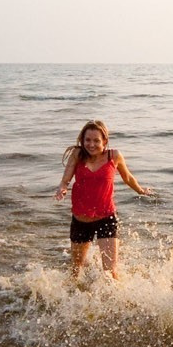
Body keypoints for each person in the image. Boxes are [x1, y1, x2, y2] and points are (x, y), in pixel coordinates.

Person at [55, 119, 153, 279]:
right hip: (81, 220)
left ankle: (119, 295)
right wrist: (62, 189)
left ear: (105, 141)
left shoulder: (114, 156)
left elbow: (128, 177)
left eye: (96, 140)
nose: (91, 144)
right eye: (87, 140)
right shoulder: (77, 155)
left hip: (106, 217)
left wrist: (141, 191)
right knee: (76, 271)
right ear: (82, 140)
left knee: (110, 273)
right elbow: (65, 180)